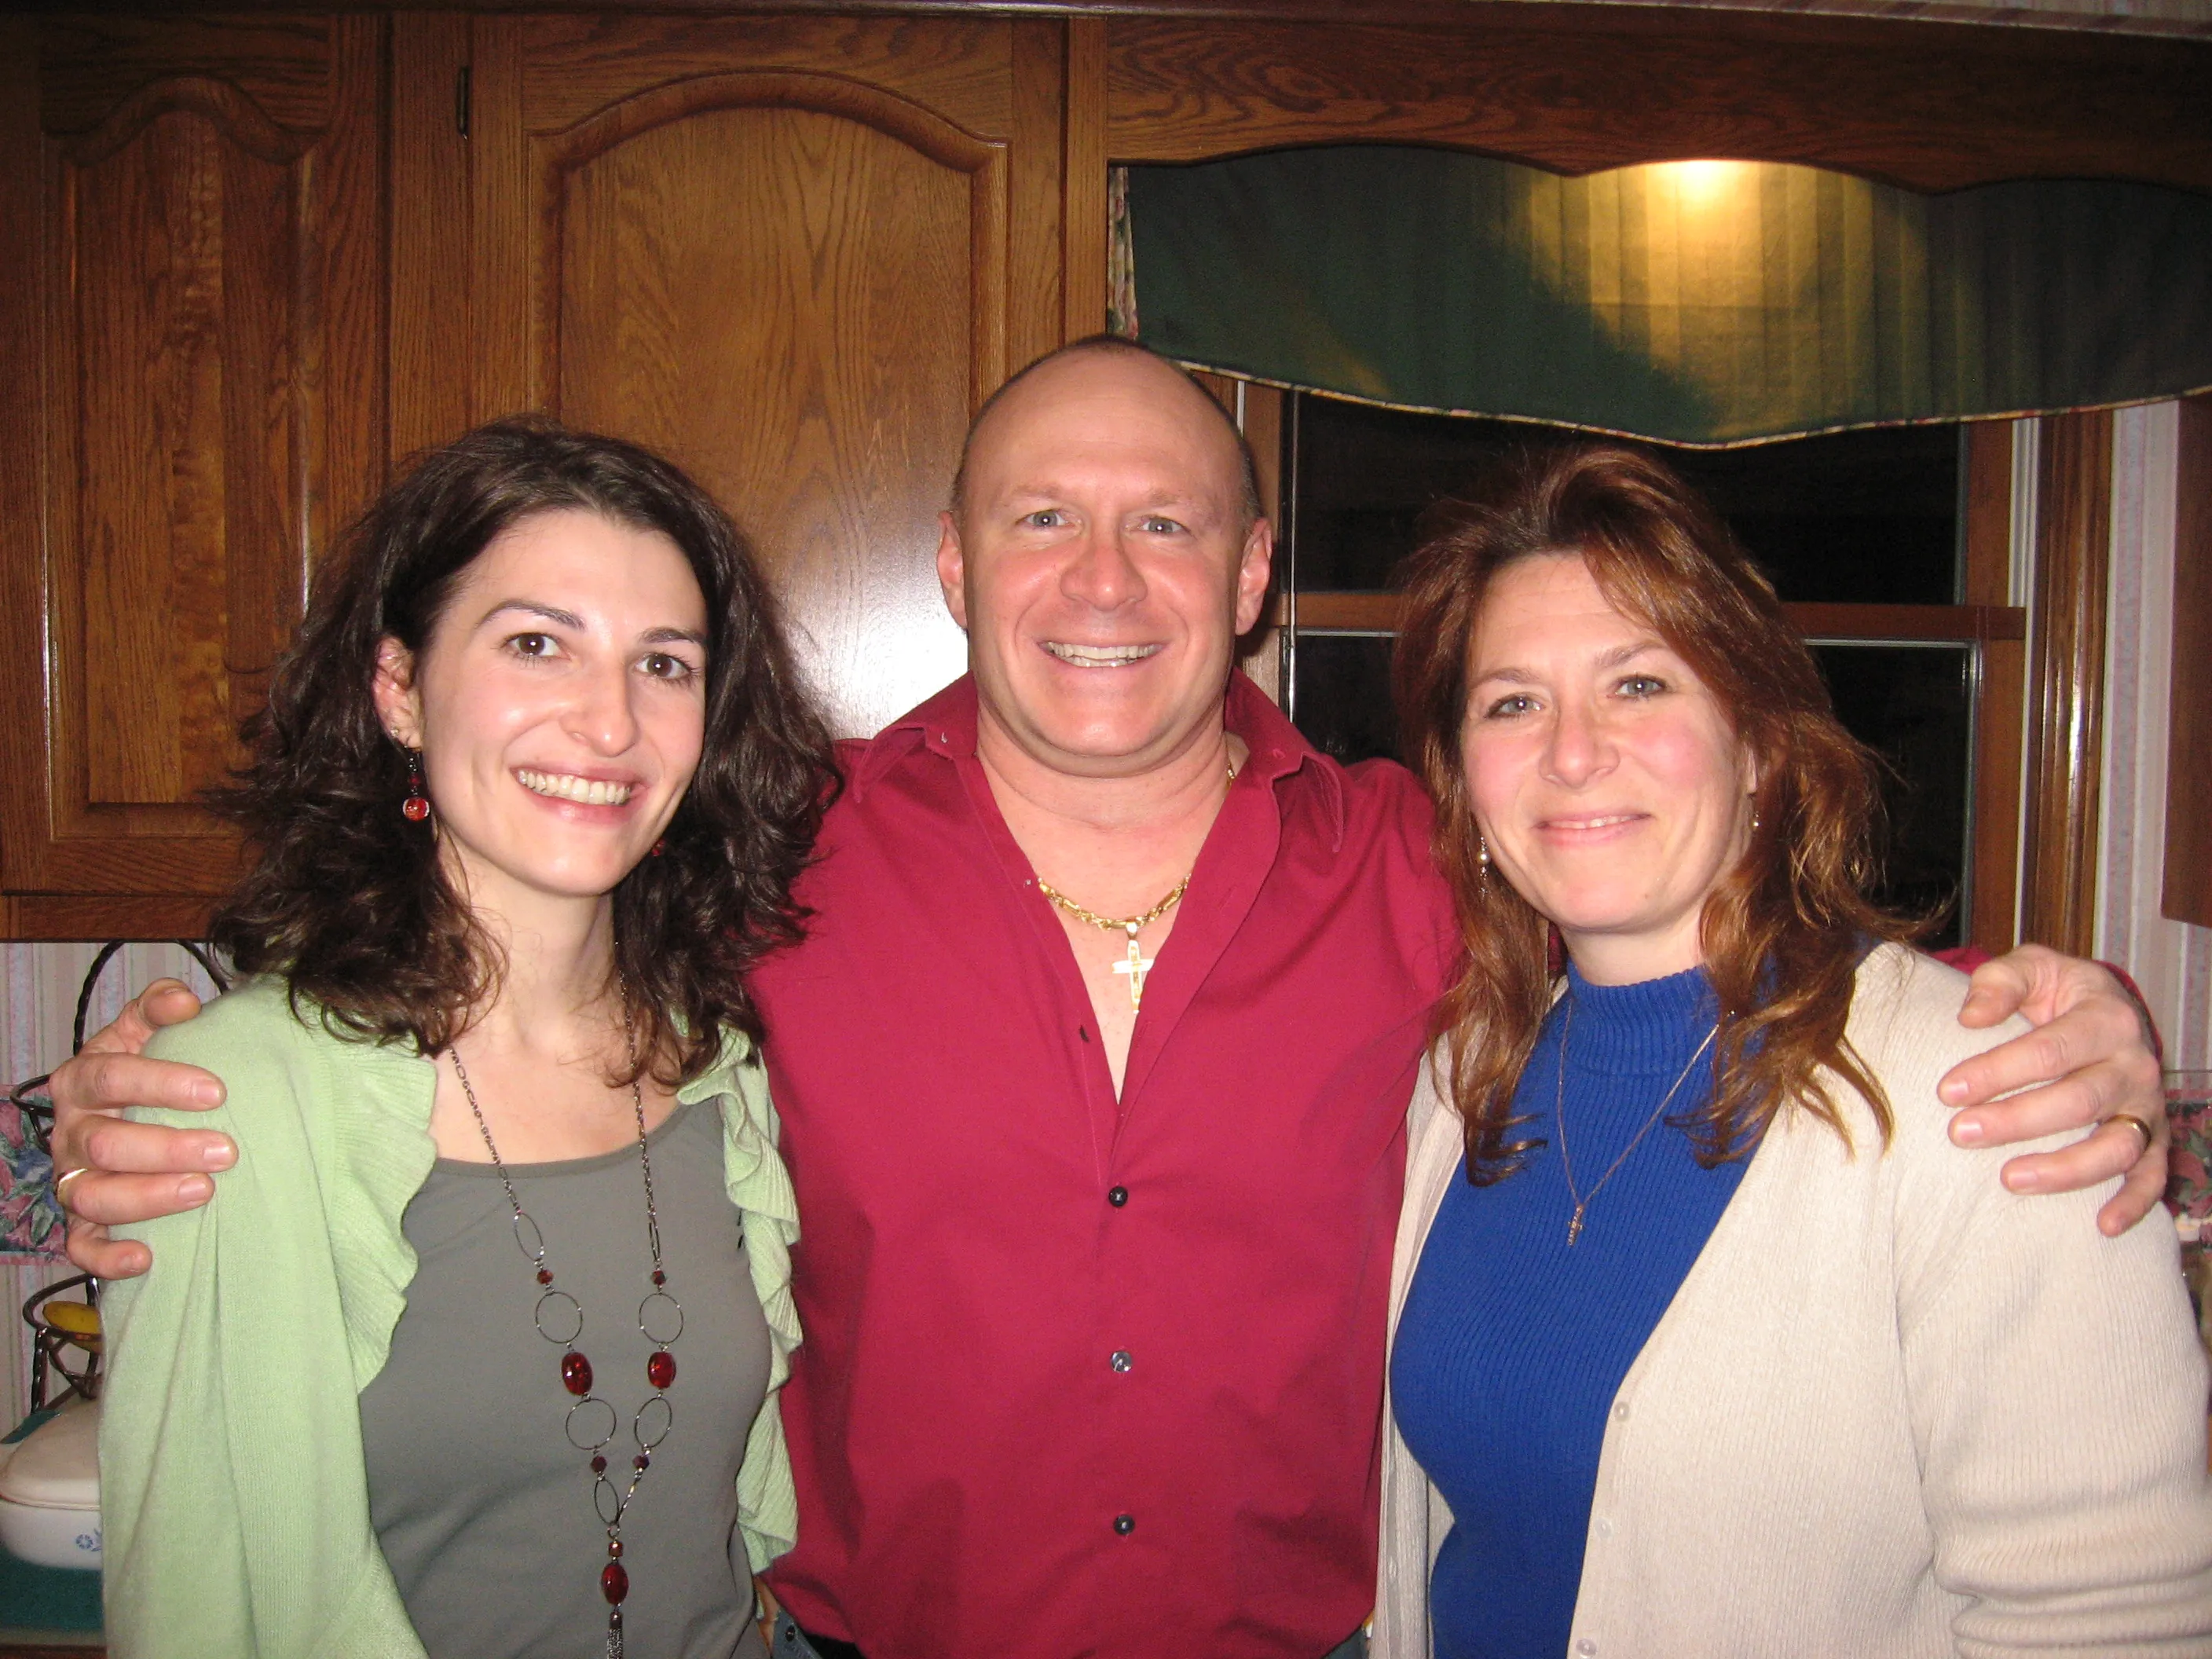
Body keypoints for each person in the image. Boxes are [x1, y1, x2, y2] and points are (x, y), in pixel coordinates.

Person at [53, 342, 2170, 1659]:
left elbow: (1675, 931)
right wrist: (181, 1076)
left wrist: (2024, 1014)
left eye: (1168, 523)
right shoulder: (768, 873)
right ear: (958, 570)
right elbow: (497, 995)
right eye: (1040, 520)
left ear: (1251, 583)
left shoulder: (1415, 877)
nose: (1104, 577)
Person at [1375, 445, 2212, 1657]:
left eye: (1641, 685)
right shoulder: (1463, 1084)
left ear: (1760, 745)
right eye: (1513, 702)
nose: (1571, 751)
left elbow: (2119, 1620)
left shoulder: (1989, 1101)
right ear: (1467, 784)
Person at [94, 419, 837, 1658]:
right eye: (537, 644)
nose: (609, 726)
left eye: (664, 664)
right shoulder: (227, 1101)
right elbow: (194, 1588)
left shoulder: (719, 1068)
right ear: (398, 687)